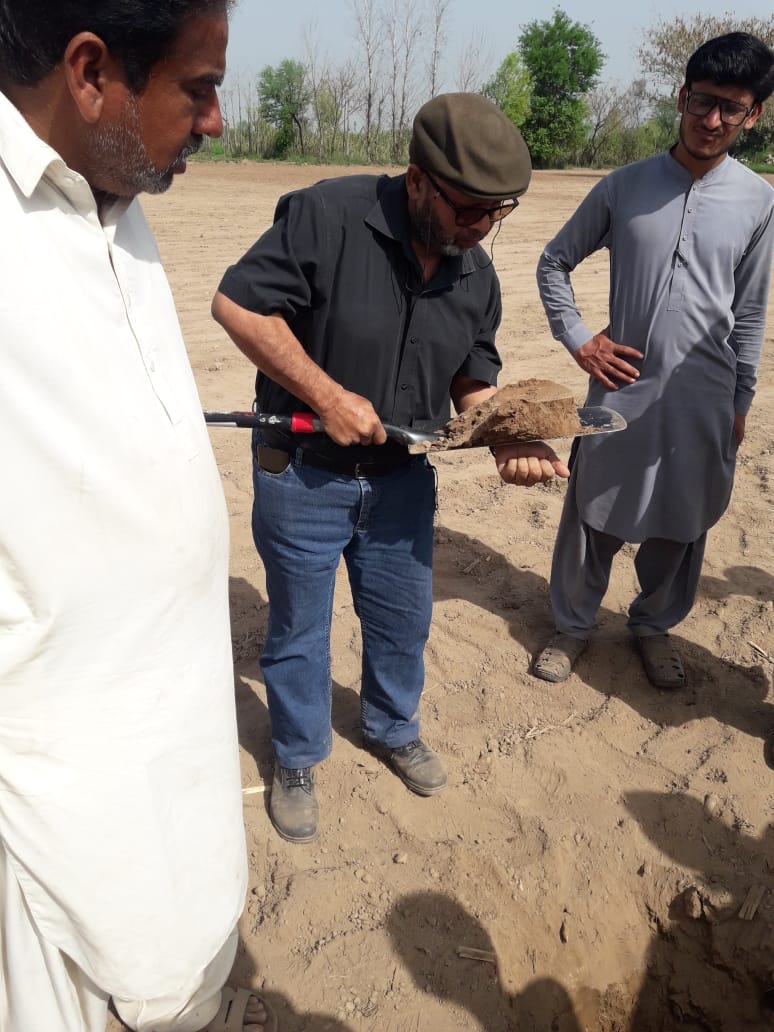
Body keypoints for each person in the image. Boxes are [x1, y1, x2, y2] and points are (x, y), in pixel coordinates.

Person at [0, 3, 275, 1031]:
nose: (215, 121)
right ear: (89, 73)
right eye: (199, 89)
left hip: (173, 748)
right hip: (50, 813)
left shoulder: (115, 191)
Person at [212, 92, 569, 844]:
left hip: (402, 483)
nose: (481, 227)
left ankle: (391, 727)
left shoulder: (476, 275)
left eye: (497, 212)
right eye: (469, 209)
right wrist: (327, 395)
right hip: (303, 473)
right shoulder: (326, 217)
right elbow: (239, 308)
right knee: (299, 630)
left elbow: (473, 379)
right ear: (417, 181)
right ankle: (297, 755)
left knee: (403, 621)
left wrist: (507, 435)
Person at [533, 32, 774, 690]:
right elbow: (553, 262)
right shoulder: (624, 186)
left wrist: (741, 401)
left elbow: (751, 312)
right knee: (593, 507)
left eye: (732, 107)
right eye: (702, 101)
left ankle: (653, 624)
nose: (712, 120)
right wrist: (580, 338)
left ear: (754, 115)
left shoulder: (758, 201)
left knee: (683, 515)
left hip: (705, 395)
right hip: (621, 388)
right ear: (681, 96)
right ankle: (572, 625)